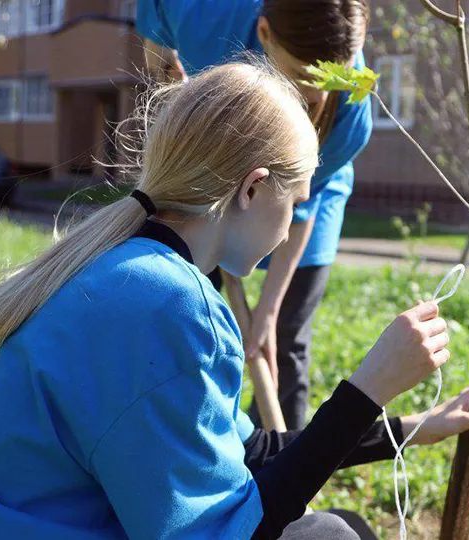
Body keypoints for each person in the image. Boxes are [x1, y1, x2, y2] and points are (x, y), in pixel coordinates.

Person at [0, 62, 469, 540]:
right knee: (334, 533)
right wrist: (368, 386)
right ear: (255, 188)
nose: (292, 229)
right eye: (298, 201)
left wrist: (410, 428)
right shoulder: (169, 306)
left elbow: (248, 453)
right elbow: (233, 530)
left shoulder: (121, 263)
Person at [137, 0, 373, 429]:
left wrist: (267, 312)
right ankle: (184, 434)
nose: (317, 96)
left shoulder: (351, 113)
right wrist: (163, 71)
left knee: (283, 337)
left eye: (330, 81)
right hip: (208, 182)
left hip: (309, 196)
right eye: (303, 77)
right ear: (264, 33)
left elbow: (301, 207)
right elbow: (156, 25)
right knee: (182, 312)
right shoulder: (206, 19)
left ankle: (277, 468)